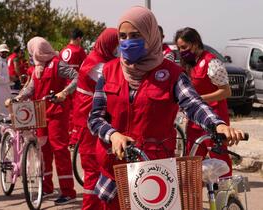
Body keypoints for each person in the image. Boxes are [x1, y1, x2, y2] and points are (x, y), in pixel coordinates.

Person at [87, 6, 246, 209]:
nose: (127, 42)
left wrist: (218, 125)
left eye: (135, 35)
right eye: (123, 36)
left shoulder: (171, 73)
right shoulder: (108, 71)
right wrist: (113, 135)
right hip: (115, 174)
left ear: (151, 35)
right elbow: (95, 118)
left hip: (156, 173)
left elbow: (193, 103)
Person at [15, 36, 77, 205]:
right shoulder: (37, 68)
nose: (30, 54)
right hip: (40, 113)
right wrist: (20, 96)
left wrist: (65, 92)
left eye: (32, 50)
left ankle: (68, 191)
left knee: (60, 151)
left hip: (57, 112)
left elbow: (76, 77)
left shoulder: (58, 64)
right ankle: (47, 187)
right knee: (44, 152)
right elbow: (32, 87)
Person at [174, 27, 233, 176]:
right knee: (192, 161)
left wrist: (199, 100)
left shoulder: (211, 63)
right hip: (195, 121)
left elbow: (226, 91)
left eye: (184, 47)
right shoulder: (189, 65)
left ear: (195, 44)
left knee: (219, 157)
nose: (181, 51)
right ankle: (193, 197)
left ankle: (226, 195)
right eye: (179, 48)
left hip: (215, 119)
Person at [71, 28, 119, 210]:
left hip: (89, 120)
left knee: (99, 168)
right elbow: (115, 83)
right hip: (90, 122)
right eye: (117, 45)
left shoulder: (95, 58)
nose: (118, 50)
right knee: (93, 170)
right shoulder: (98, 66)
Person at [60, 28, 87, 143]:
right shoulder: (79, 50)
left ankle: (66, 136)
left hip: (64, 85)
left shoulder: (62, 51)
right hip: (76, 84)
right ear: (79, 38)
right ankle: (74, 139)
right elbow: (86, 67)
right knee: (76, 111)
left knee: (65, 112)